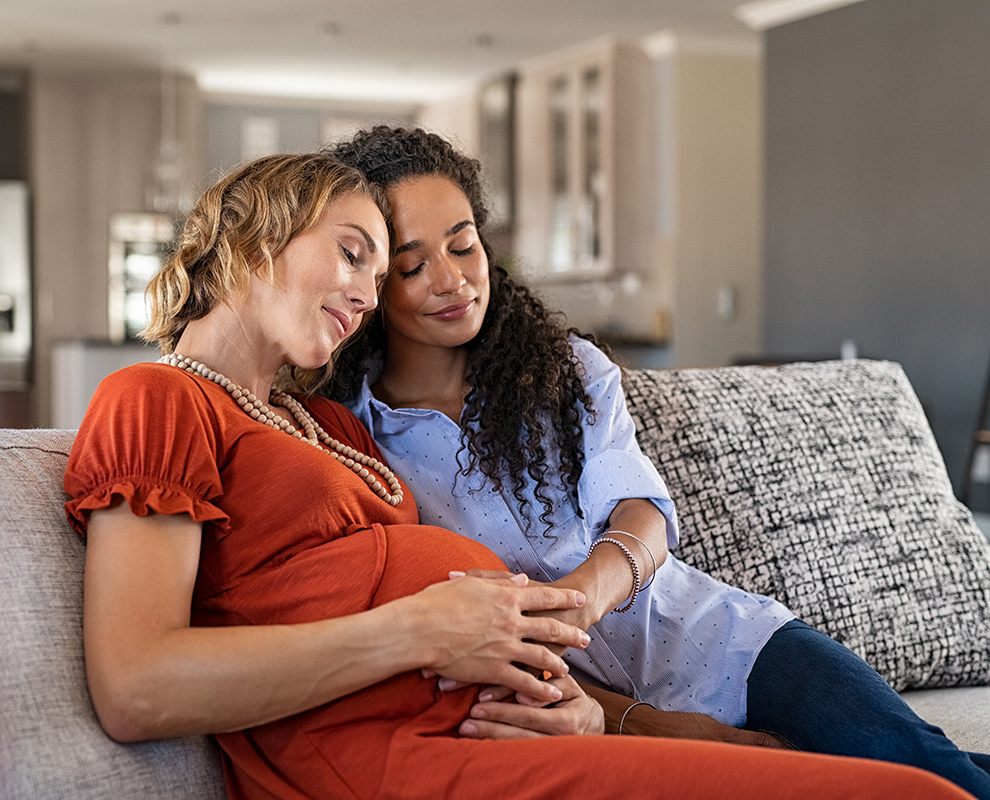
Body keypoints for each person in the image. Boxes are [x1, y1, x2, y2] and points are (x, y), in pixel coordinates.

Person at [62, 151, 974, 800]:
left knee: (913, 773)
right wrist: (420, 630)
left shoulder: (326, 425)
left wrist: (579, 703)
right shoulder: (159, 399)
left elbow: (619, 522)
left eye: (380, 272)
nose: (367, 291)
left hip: (561, 691)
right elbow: (137, 686)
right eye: (362, 258)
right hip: (406, 748)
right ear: (254, 235)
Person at [324, 125, 990, 800]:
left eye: (464, 244)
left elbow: (641, 515)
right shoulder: (354, 439)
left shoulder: (567, 370)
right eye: (411, 266)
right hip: (584, 702)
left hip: (731, 644)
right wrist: (648, 724)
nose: (452, 279)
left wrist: (580, 600)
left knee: (927, 767)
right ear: (373, 281)